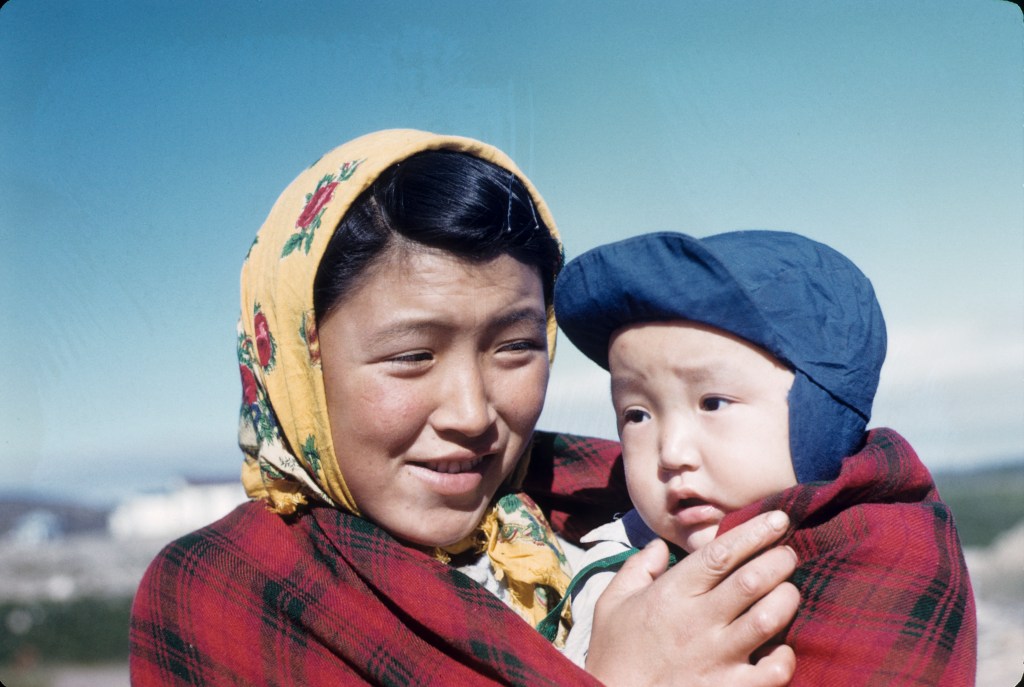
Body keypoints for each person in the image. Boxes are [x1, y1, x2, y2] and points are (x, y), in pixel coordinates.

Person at [129, 131, 801, 686]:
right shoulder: (231, 594)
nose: (473, 412)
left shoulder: (619, 505)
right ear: (301, 364)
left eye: (514, 345)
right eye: (411, 356)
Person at [552, 230, 978, 684]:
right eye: (636, 414)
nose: (671, 453)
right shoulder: (606, 551)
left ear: (819, 416)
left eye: (712, 403)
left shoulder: (891, 560)